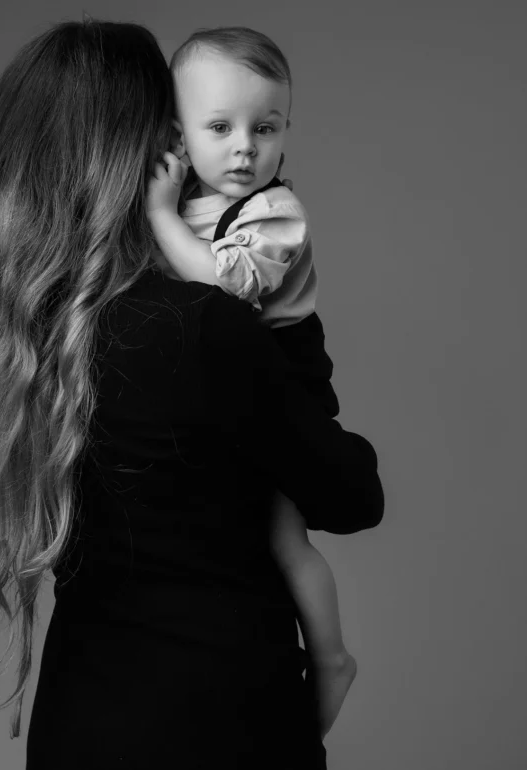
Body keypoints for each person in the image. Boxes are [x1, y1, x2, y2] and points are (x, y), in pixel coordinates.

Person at [0, 18, 383, 769]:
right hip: (222, 722)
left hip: (79, 725)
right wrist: (304, 370)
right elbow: (351, 495)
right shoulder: (200, 323)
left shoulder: (22, 334)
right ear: (153, 147)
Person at [147, 26, 358, 737]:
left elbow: (223, 292)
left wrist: (156, 215)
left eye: (265, 128)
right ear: (177, 135)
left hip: (283, 376)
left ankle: (329, 657)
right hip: (218, 390)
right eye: (220, 127)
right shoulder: (185, 203)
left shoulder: (274, 212)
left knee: (284, 537)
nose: (245, 147)